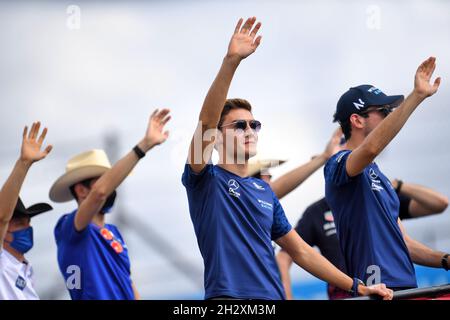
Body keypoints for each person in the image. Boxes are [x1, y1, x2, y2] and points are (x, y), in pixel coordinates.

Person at [182, 17, 393, 300]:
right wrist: (231, 62)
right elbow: (206, 123)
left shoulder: (264, 193)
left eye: (254, 125)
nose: (250, 130)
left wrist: (358, 286)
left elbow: (301, 251)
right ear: (217, 138)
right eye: (239, 125)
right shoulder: (205, 180)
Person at [324, 57, 449, 291]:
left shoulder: (380, 176)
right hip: (377, 290)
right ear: (357, 120)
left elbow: (406, 245)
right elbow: (371, 147)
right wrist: (417, 96)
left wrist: (445, 259)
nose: (389, 115)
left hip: (407, 289)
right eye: (383, 111)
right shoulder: (337, 163)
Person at [50, 109, 171, 300]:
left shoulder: (114, 232)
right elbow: (99, 193)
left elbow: (128, 282)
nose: (112, 188)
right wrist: (144, 146)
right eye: (106, 180)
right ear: (81, 190)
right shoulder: (68, 227)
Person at [276, 180, 448, 299]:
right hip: (347, 293)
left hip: (389, 290)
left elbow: (439, 203)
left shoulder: (380, 199)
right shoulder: (316, 212)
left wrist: (397, 185)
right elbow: (286, 255)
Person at [0, 122, 53, 299]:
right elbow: (1, 217)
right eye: (18, 223)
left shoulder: (25, 270)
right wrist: (24, 163)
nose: (27, 227)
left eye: (27, 222)